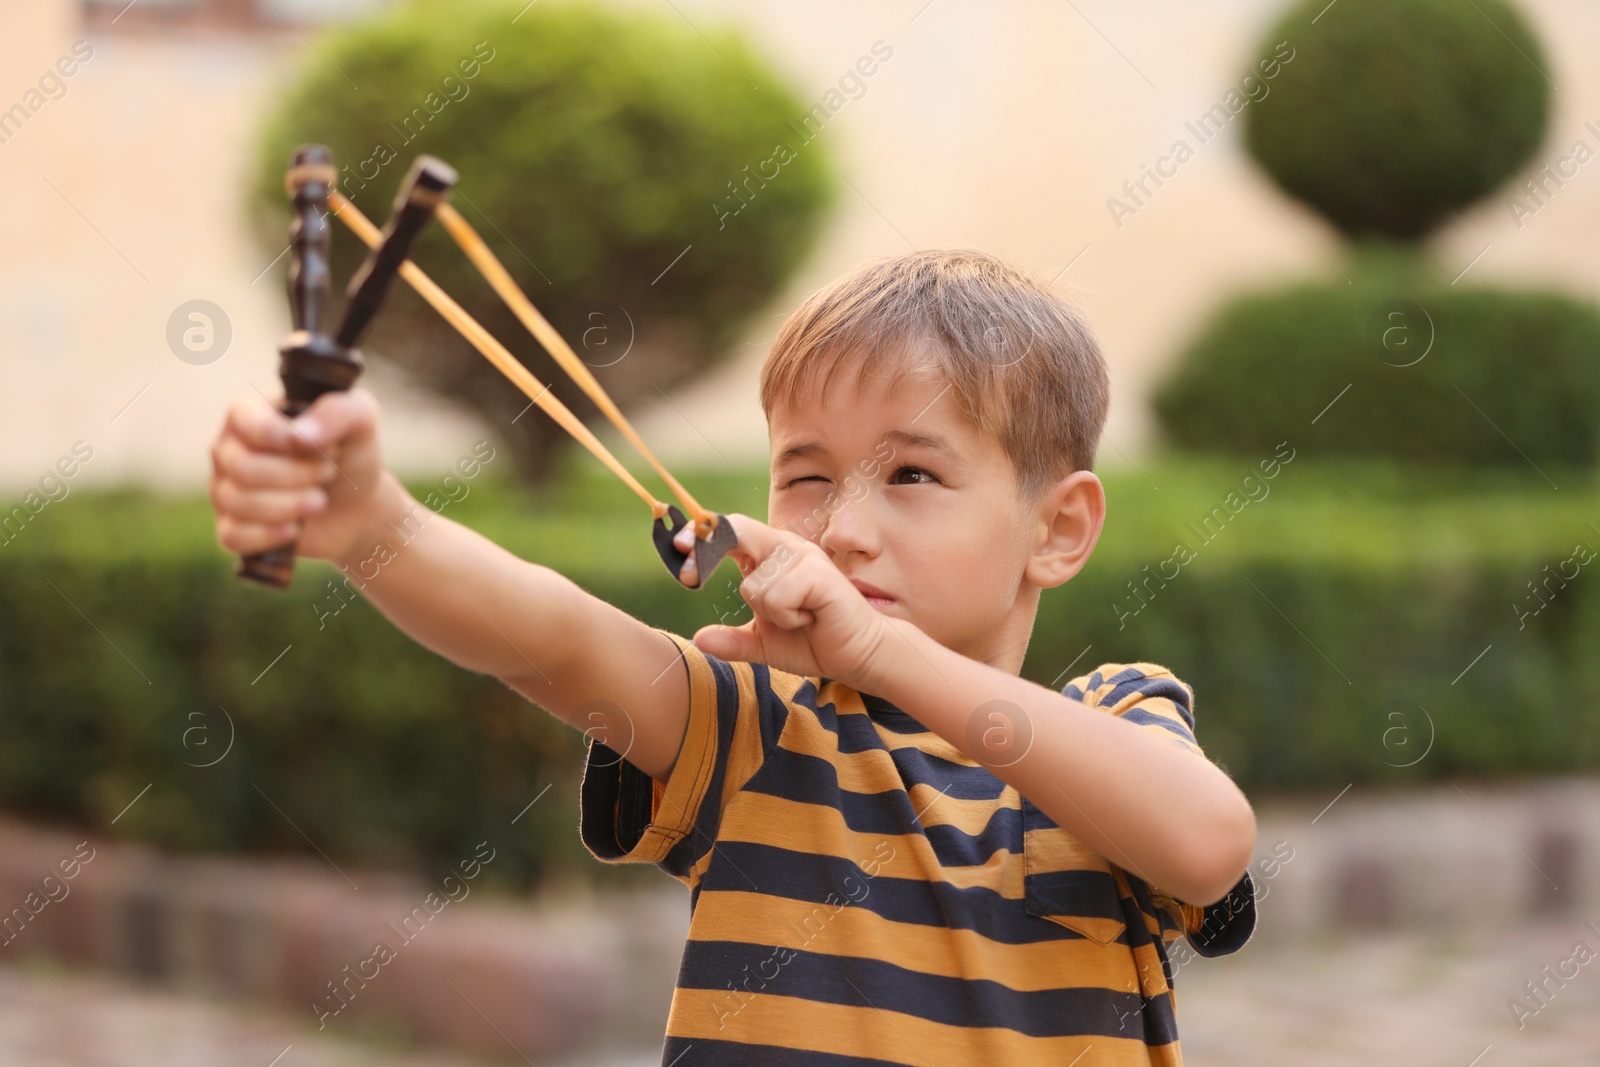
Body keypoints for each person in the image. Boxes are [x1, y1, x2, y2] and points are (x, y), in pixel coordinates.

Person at [210, 248, 1257, 1065]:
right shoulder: (759, 721)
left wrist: (887, 655)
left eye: (912, 475)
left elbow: (1207, 842)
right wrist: (369, 521)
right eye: (806, 476)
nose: (841, 526)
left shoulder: (1117, 719)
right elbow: (549, 633)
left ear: (1058, 528)